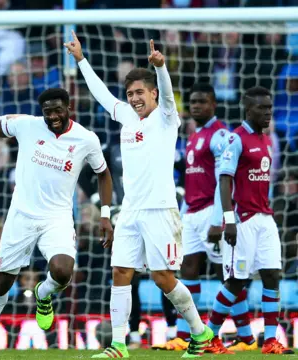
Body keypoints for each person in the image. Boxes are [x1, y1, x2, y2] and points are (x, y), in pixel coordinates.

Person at [65, 31, 214, 358]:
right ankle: (119, 344)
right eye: (130, 93)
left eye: (140, 93)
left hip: (161, 210)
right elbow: (102, 95)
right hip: (130, 211)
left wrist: (160, 67)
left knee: (163, 278)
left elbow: (169, 94)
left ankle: (201, 333)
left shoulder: (166, 118)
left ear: (153, 93)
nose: (134, 98)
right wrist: (80, 60)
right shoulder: (127, 118)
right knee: (120, 272)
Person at [0, 81, 114, 359]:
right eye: (47, 112)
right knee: (2, 282)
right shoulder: (28, 125)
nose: (52, 117)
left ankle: (43, 294)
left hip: (57, 218)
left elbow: (103, 173)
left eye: (57, 111)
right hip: (21, 216)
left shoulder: (86, 138)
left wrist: (105, 214)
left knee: (63, 271)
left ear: (69, 108)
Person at [155, 84, 257, 353]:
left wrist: (218, 219)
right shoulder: (193, 135)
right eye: (192, 102)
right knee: (187, 269)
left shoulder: (220, 134)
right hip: (191, 214)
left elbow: (226, 179)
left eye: (202, 101)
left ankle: (246, 336)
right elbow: (194, 180)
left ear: (214, 104)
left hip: (211, 215)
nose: (196, 106)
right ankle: (182, 334)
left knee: (228, 275)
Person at [207, 86, 294, 355]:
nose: (268, 112)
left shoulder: (265, 140)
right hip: (242, 220)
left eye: (270, 107)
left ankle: (269, 340)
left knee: (272, 276)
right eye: (262, 108)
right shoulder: (236, 139)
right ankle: (209, 337)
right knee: (236, 281)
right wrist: (228, 219)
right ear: (248, 109)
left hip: (264, 218)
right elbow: (224, 180)